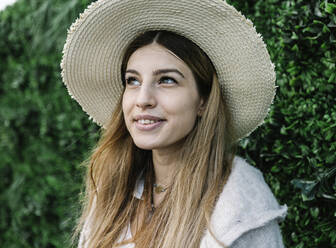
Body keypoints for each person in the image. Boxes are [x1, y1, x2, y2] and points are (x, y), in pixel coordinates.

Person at [61, 0, 287, 247]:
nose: (143, 99)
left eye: (166, 80)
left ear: (203, 100)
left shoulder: (238, 206)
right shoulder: (114, 187)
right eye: (132, 81)